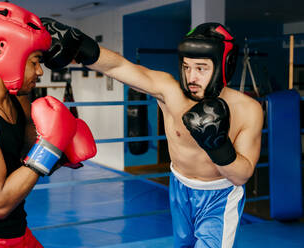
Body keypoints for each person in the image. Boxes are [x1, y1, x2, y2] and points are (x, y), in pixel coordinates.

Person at [40, 18, 264, 247]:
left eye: (201, 68)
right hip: (179, 187)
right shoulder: (169, 91)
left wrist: (217, 145)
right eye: (186, 67)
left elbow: (241, 175)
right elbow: (118, 66)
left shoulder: (248, 110)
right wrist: (81, 46)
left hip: (219, 196)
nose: (191, 77)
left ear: (224, 66)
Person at [0, 2, 96, 247]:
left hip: (19, 234)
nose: (40, 71)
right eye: (34, 61)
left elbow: (24, 158)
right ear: (3, 51)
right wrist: (50, 148)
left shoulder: (18, 97)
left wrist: (60, 154)